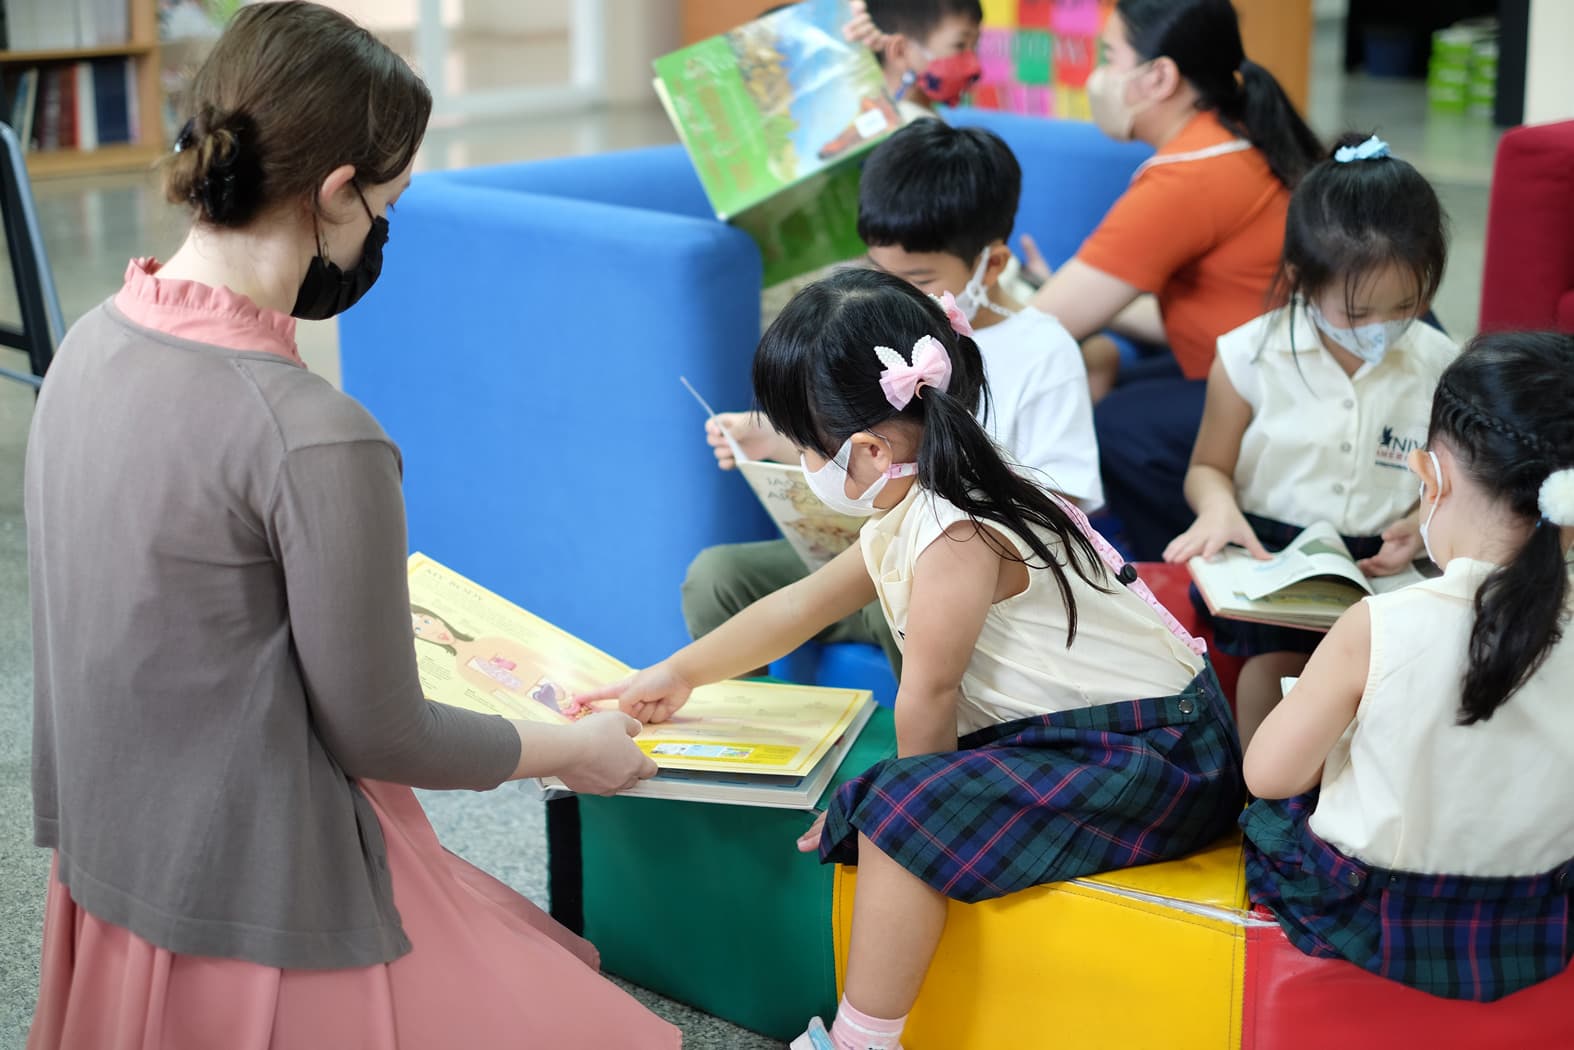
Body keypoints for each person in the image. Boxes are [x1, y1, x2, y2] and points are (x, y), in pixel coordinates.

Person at [23, 5, 673, 1047]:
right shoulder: (314, 434)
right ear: (335, 193)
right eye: (386, 204)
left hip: (114, 855)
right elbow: (384, 733)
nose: (379, 233)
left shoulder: (92, 344)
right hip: (263, 884)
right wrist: (575, 750)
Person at [585, 270, 1244, 1050]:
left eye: (805, 450)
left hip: (1160, 756)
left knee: (897, 808)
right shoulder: (922, 495)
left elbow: (929, 697)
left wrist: (909, 807)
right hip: (1091, 734)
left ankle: (861, 1041)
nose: (803, 465)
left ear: (869, 450)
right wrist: (678, 673)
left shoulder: (957, 528)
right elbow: (799, 606)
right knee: (892, 800)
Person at [685, 120, 1100, 678]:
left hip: (955, 570)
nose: (897, 293)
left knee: (907, 597)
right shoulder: (877, 325)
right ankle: (754, 726)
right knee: (718, 578)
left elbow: (1062, 503)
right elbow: (866, 442)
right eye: (881, 273)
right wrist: (782, 440)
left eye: (918, 278)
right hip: (859, 551)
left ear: (993, 263)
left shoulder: (1043, 351)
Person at [1239, 331, 1574, 1003]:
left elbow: (1269, 776)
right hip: (1541, 915)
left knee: (1269, 795)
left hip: (1380, 915)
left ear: (1433, 479)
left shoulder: (1379, 623)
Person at [1162, 135, 1457, 745]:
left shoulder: (1438, 363)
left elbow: (1448, 478)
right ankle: (1263, 789)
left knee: (1407, 666)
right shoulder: (1250, 354)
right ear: (1300, 280)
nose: (1382, 329)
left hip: (1383, 557)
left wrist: (1418, 520)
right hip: (1273, 554)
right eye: (1357, 314)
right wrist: (1218, 508)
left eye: (1406, 306)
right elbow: (1207, 467)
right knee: (1270, 672)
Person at [1027, 0, 1323, 560]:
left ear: (1160, 76)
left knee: (1116, 426)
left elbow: (1039, 326)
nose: (1100, 76)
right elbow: (1213, 316)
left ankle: (1186, 566)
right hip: (1287, 367)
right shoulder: (1233, 135)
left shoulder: (1186, 177)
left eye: (1110, 56)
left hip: (1285, 392)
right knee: (1129, 387)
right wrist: (1095, 298)